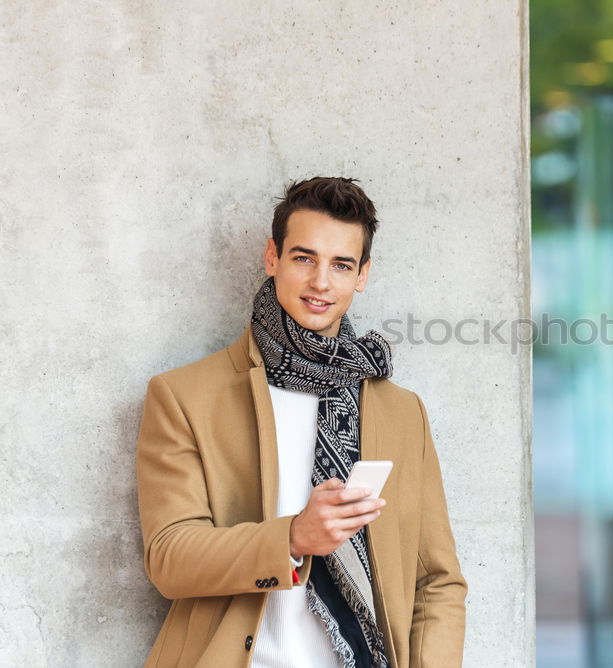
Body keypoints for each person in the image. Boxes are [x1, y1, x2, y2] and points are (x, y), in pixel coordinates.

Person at [135, 177, 467, 668]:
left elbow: (435, 581)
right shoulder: (185, 396)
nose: (321, 282)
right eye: (303, 258)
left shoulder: (400, 412)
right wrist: (292, 538)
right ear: (272, 257)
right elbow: (169, 558)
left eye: (341, 265)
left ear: (363, 275)